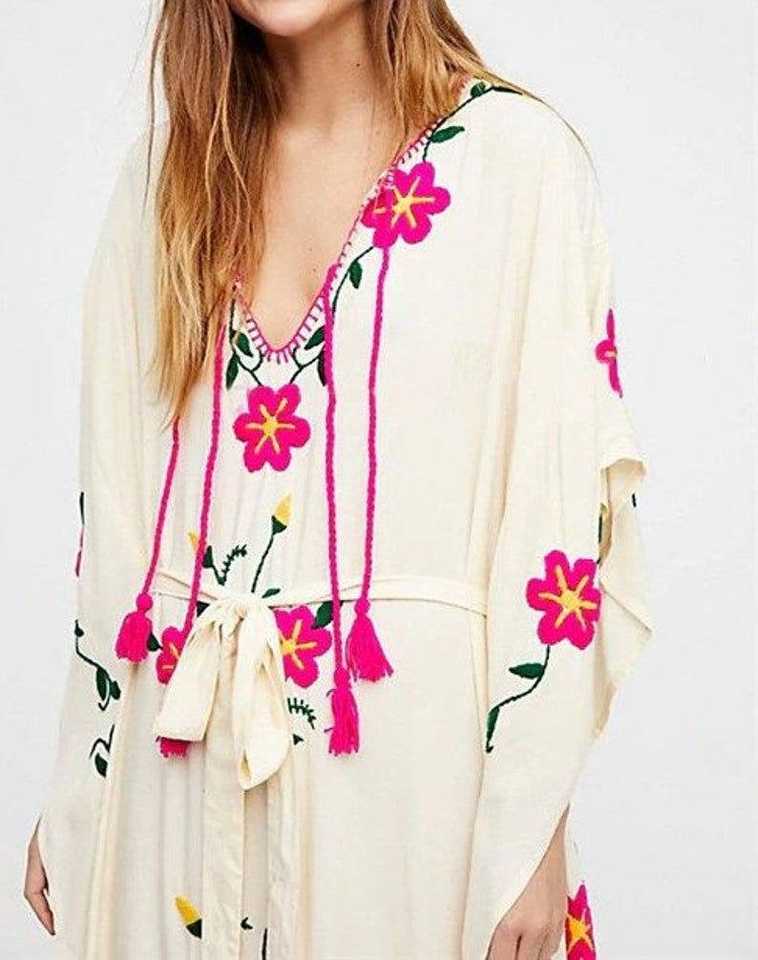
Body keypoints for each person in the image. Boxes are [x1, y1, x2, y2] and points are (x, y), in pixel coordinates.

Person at [24, 1, 652, 958]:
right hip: (175, 776)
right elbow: (113, 529)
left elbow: (557, 512)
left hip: (412, 786)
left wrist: (535, 830)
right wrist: (81, 785)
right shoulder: (164, 180)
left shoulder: (516, 162)